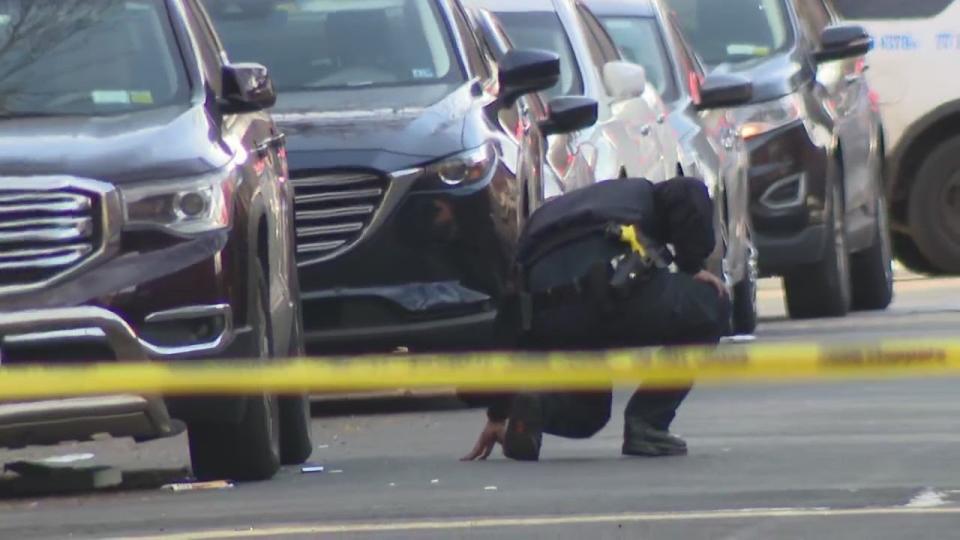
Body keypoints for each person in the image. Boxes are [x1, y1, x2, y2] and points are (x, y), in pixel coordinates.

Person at [461, 176, 730, 462]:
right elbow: (689, 193)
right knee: (712, 303)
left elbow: (510, 314)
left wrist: (498, 413)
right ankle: (647, 424)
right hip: (616, 296)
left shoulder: (544, 217)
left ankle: (538, 407)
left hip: (551, 318)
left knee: (589, 413)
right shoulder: (646, 192)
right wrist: (691, 264)